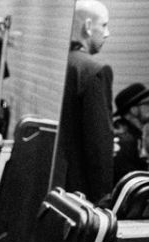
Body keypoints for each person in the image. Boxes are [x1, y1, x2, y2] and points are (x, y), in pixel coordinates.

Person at [56, 0, 114, 201]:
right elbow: (98, 143)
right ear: (88, 27)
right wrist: (103, 197)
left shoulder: (59, 63)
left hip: (53, 181)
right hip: (80, 191)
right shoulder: (93, 71)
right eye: (104, 25)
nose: (107, 33)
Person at [112, 82, 149, 182]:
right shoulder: (125, 141)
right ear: (133, 110)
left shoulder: (133, 135)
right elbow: (128, 182)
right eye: (148, 103)